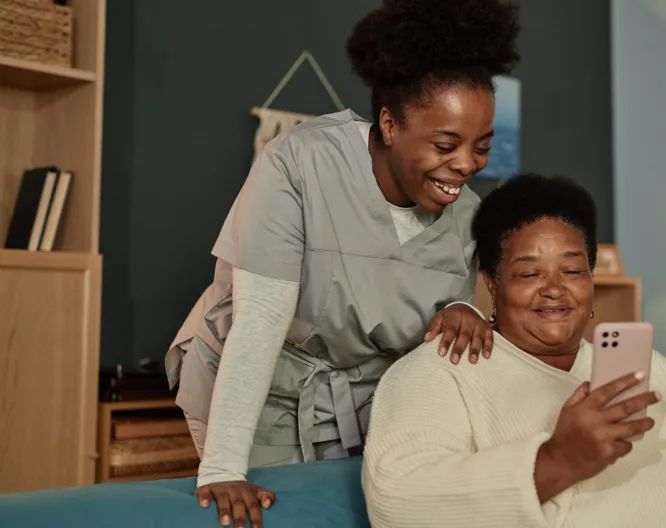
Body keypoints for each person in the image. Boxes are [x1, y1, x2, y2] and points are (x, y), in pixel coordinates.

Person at [164, 0, 521, 525]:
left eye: (481, 146)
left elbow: (440, 311)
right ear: (390, 124)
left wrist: (464, 308)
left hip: (368, 400)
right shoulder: (299, 162)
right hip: (261, 389)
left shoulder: (468, 217)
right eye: (446, 143)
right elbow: (260, 321)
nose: (466, 164)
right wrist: (221, 468)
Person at [362, 173, 666, 527]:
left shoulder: (647, 369)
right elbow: (396, 502)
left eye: (572, 270)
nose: (554, 290)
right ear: (492, 284)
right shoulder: (444, 369)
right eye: (529, 274)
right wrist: (556, 461)